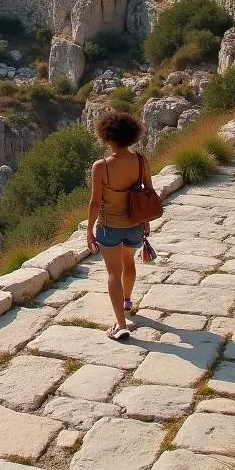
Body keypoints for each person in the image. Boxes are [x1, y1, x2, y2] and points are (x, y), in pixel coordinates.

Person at [86, 111, 153, 340]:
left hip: (108, 227)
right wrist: (145, 222)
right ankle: (126, 301)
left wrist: (89, 231)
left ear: (107, 137)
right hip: (134, 224)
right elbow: (147, 194)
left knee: (114, 272)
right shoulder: (141, 161)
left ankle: (120, 324)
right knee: (128, 263)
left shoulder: (101, 166)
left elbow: (95, 203)